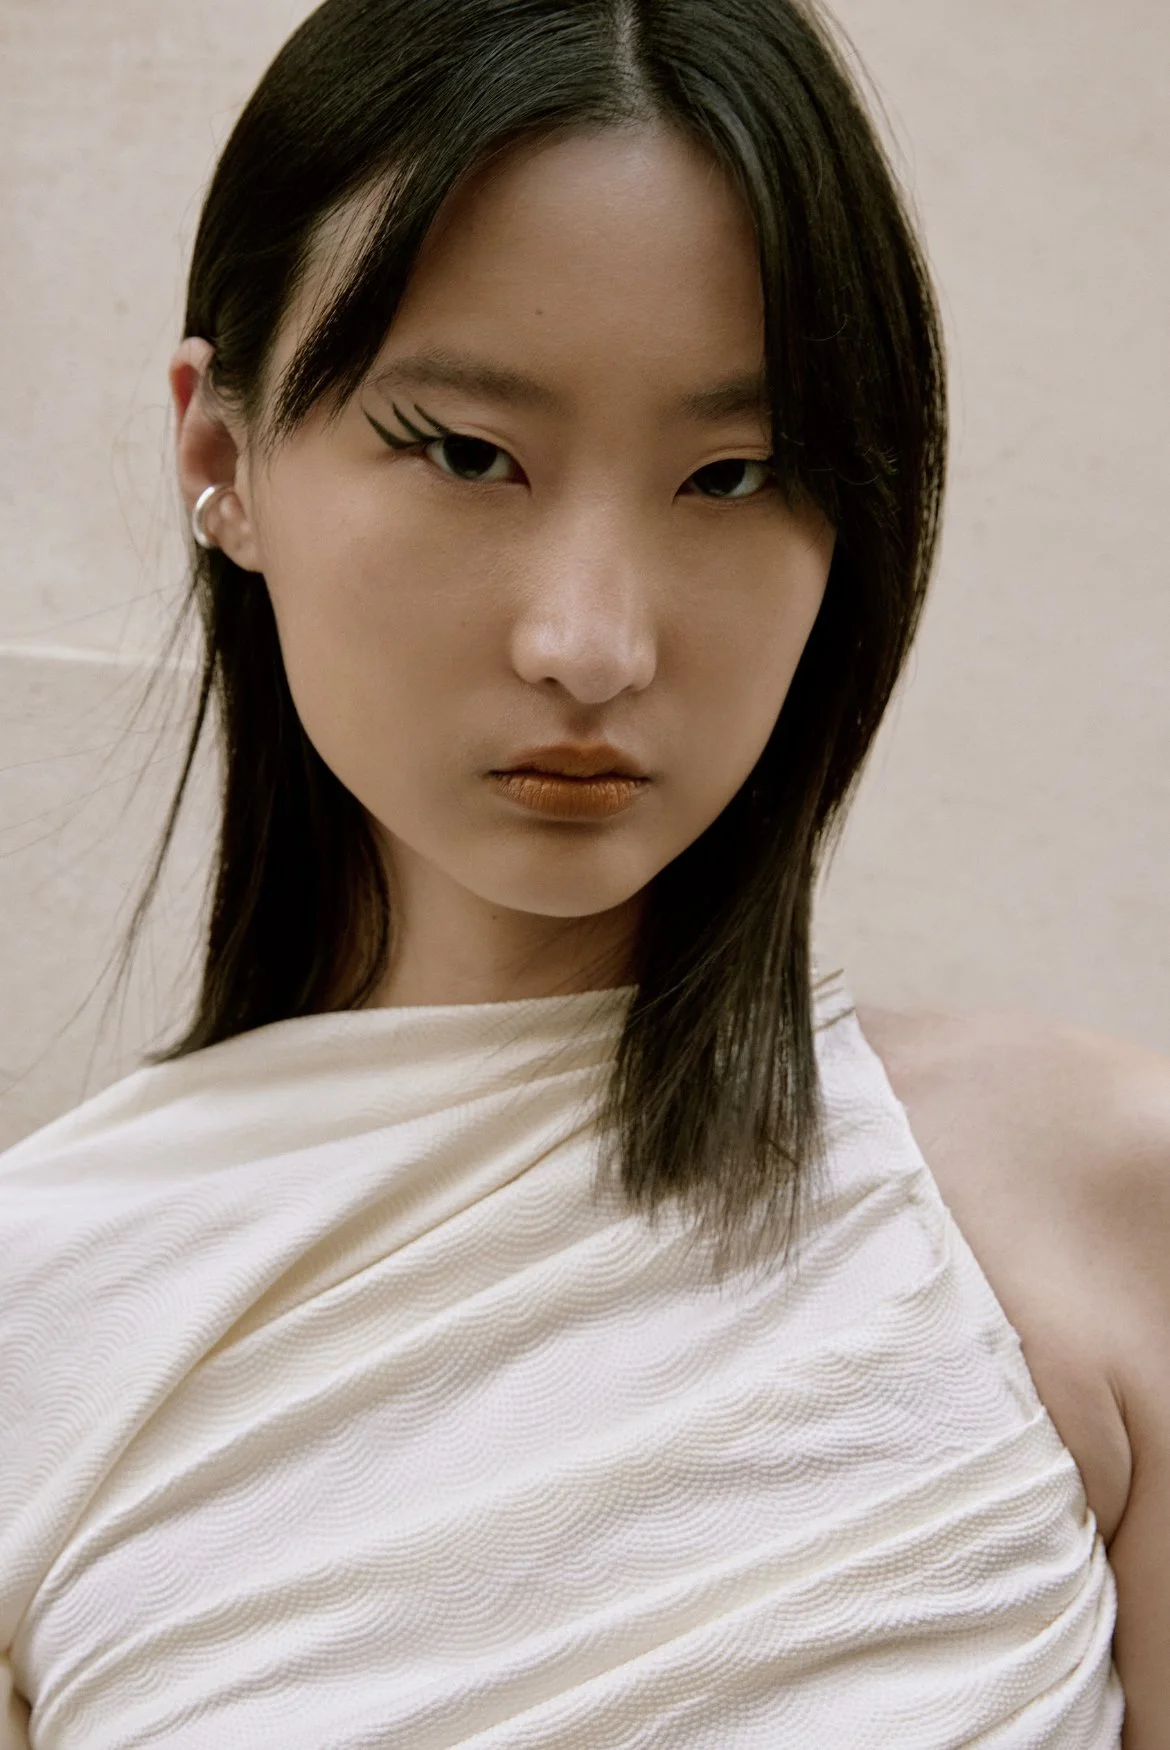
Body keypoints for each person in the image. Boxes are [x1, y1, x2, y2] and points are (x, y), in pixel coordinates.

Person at [1, 1, 1167, 1744]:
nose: (592, 640)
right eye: (469, 452)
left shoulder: (1087, 1199)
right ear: (219, 455)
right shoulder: (42, 1312)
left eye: (734, 472)